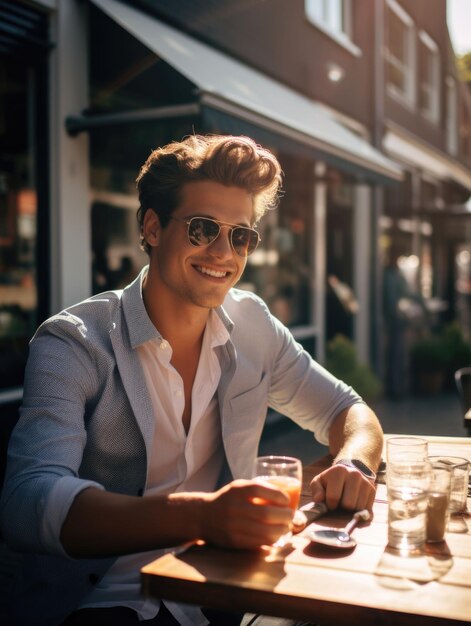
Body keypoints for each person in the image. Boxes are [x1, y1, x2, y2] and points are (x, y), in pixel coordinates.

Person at [0, 135, 383, 626]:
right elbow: (25, 502)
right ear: (153, 227)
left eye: (240, 235)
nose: (224, 252)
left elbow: (347, 411)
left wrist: (356, 465)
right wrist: (201, 516)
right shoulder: (74, 342)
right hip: (99, 603)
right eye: (203, 229)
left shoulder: (254, 326)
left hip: (218, 598)